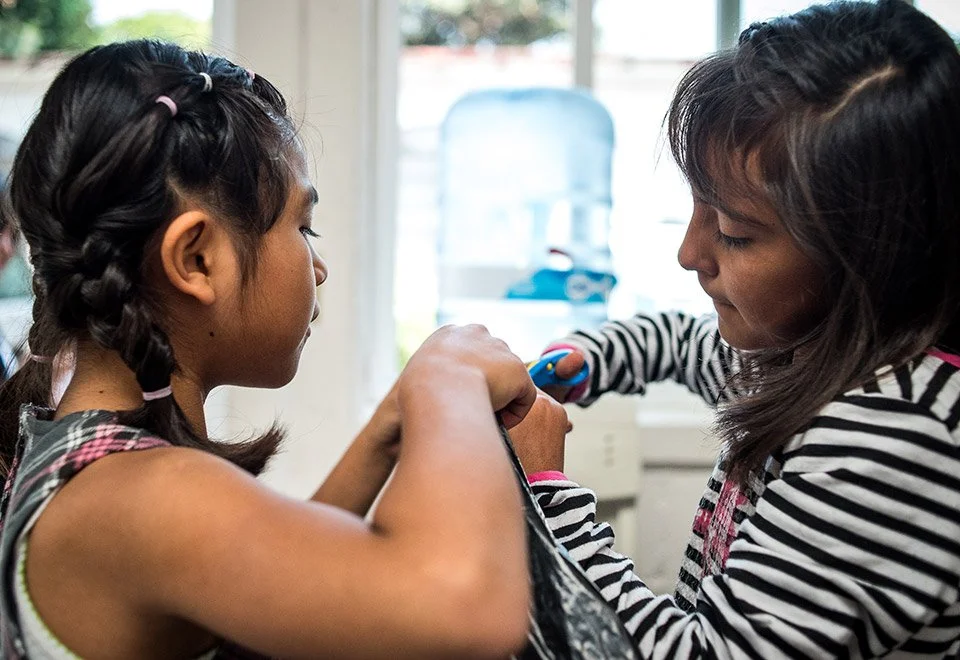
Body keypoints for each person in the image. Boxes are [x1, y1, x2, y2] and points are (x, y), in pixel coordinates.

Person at [0, 40, 537, 659]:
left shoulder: (85, 457)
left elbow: (270, 589)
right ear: (196, 259)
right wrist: (450, 380)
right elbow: (465, 610)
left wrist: (389, 426)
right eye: (301, 226)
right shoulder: (143, 494)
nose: (320, 266)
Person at [509, 1, 960, 657]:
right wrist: (590, 357)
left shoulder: (892, 437)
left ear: (873, 253)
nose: (691, 254)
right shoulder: (801, 350)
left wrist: (549, 495)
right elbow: (680, 341)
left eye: (734, 234)